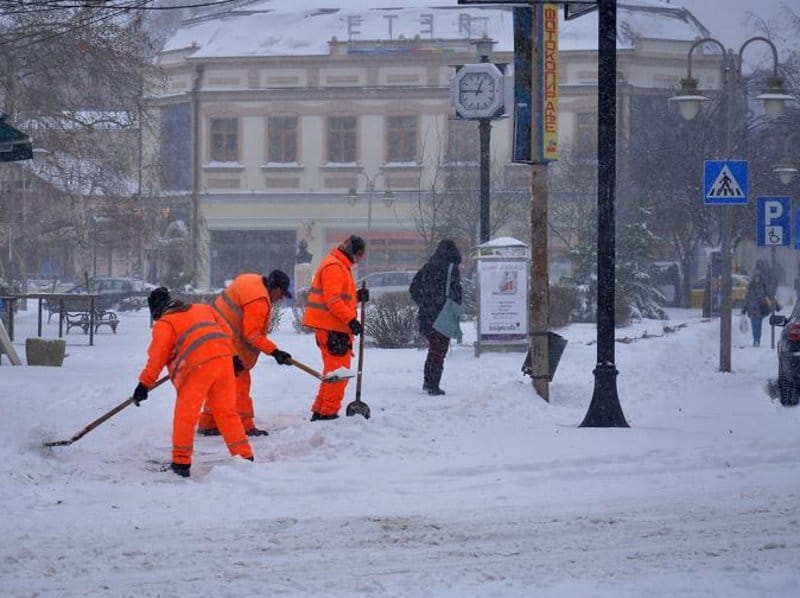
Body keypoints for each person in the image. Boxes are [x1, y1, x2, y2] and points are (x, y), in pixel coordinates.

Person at [133, 287, 254, 478]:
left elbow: (157, 357)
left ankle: (181, 462)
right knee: (227, 413)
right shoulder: (203, 308)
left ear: (156, 310)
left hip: (196, 369)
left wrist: (144, 384)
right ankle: (244, 456)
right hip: (223, 362)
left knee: (185, 416)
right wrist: (233, 356)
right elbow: (226, 331)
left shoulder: (165, 323)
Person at [197, 270, 294, 437]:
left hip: (212, 334)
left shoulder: (250, 280)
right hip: (225, 343)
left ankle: (209, 422)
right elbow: (253, 335)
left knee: (220, 385)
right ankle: (245, 425)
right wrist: (275, 352)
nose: (280, 298)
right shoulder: (259, 300)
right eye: (281, 294)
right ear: (274, 288)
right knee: (240, 383)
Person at [302, 234, 367, 421]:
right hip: (332, 328)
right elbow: (333, 300)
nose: (359, 260)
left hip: (332, 327)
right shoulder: (335, 267)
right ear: (354, 252)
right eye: (360, 255)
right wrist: (350, 320)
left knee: (332, 373)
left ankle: (321, 410)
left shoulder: (338, 264)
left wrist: (357, 296)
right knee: (339, 373)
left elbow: (340, 296)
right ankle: (327, 413)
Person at [409, 239, 462, 395]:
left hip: (427, 315)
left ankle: (428, 381)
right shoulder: (452, 269)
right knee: (439, 351)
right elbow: (456, 294)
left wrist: (425, 302)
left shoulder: (427, 267)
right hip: (442, 315)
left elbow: (413, 288)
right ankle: (433, 385)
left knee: (434, 349)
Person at [742, 273, 770, 347]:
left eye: (758, 278)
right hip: (751, 309)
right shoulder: (750, 286)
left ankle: (758, 340)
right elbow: (746, 298)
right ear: (753, 278)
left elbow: (765, 296)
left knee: (758, 326)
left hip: (759, 309)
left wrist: (763, 301)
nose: (757, 279)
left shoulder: (762, 286)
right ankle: (755, 340)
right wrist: (744, 307)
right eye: (756, 278)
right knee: (754, 326)